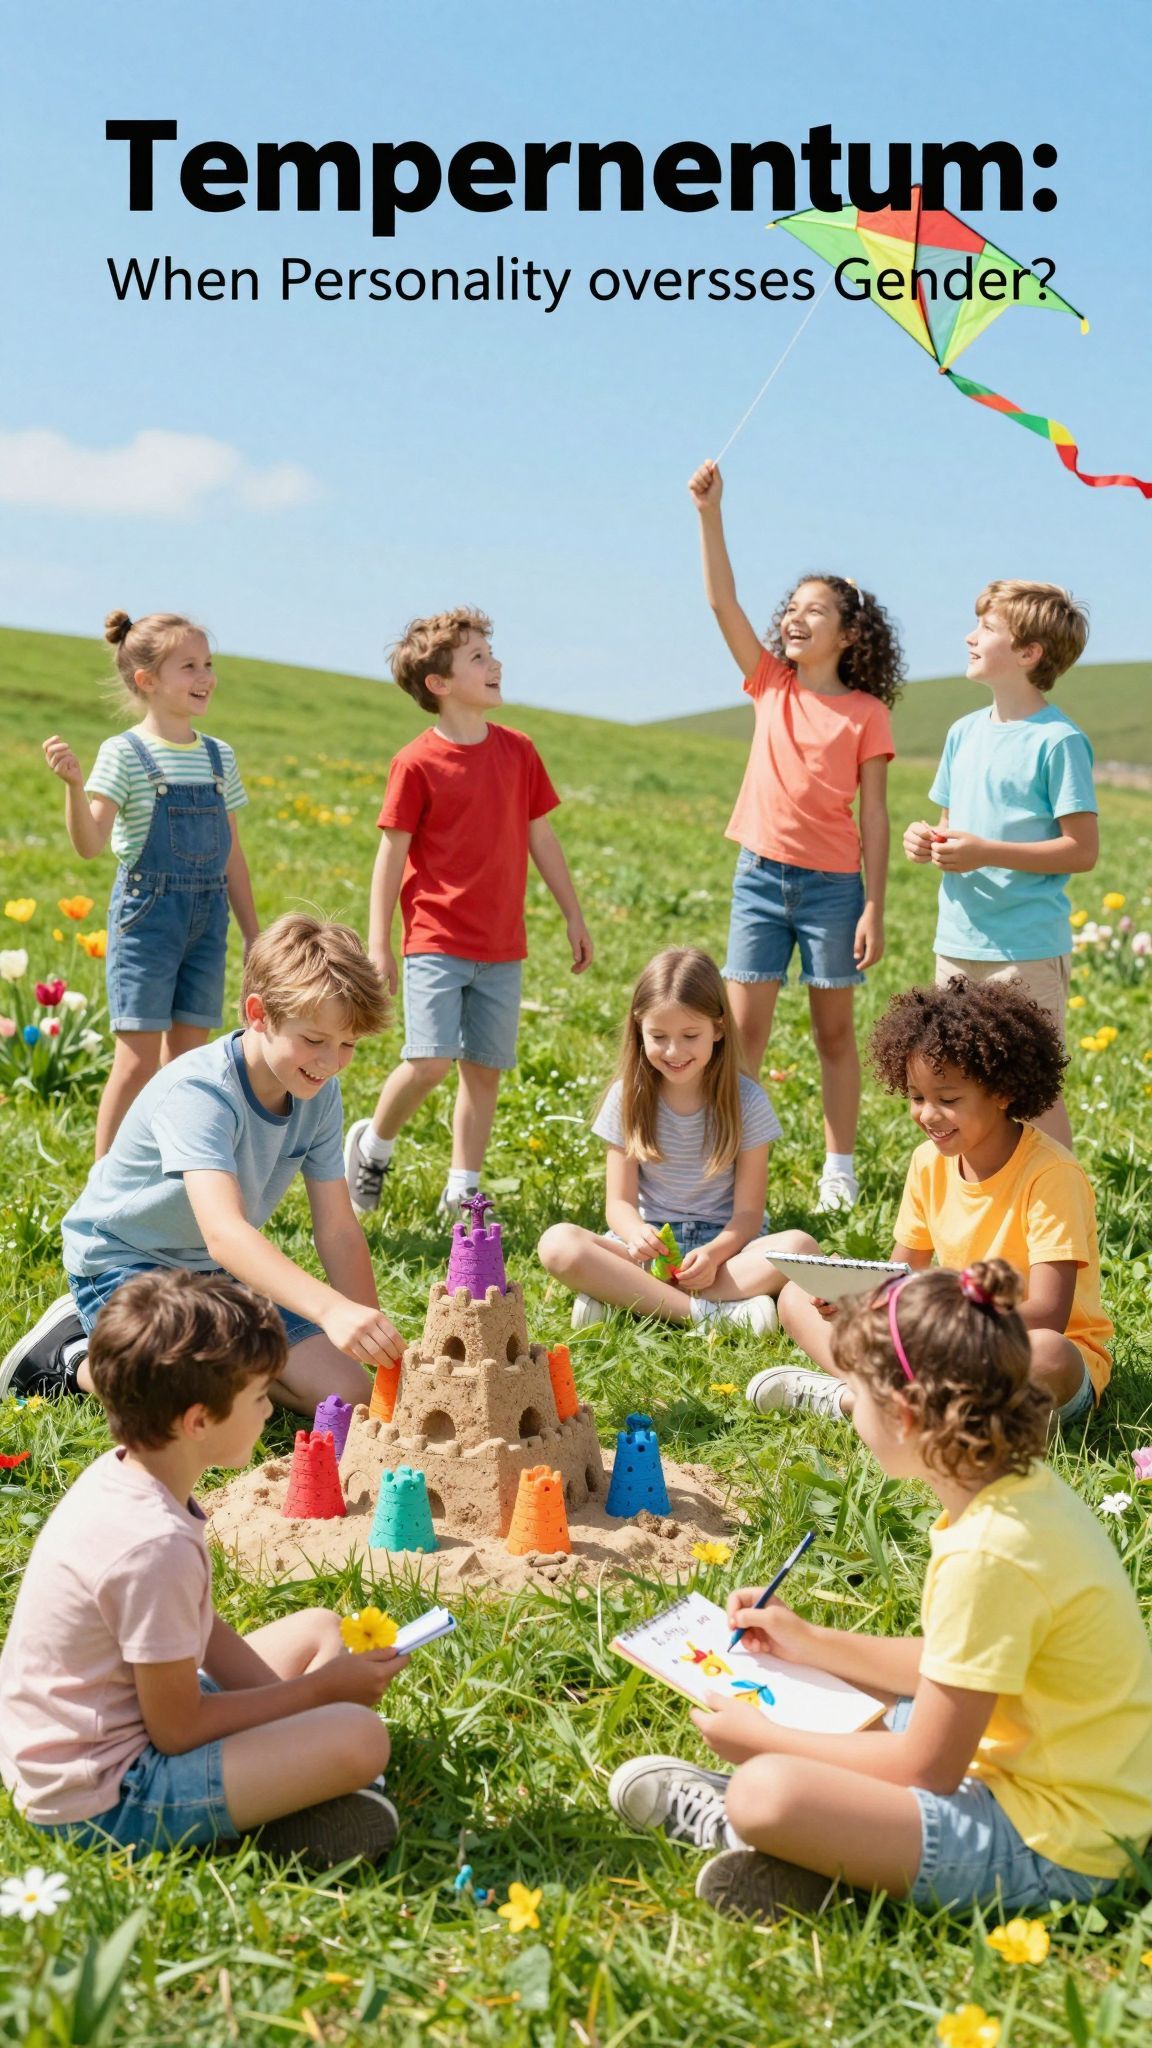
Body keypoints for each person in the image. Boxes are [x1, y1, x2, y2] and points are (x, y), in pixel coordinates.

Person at [607, 1259, 1152, 1923]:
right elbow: (953, 1664)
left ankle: (747, 1823)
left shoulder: (989, 1552)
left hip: (1058, 1845)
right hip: (1053, 1782)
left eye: (854, 1394)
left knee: (767, 1792)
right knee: (855, 1707)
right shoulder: (1016, 1497)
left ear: (905, 1416)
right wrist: (812, 1642)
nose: (852, 1412)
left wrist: (766, 1739)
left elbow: (927, 1770)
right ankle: (844, 1863)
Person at [0, 1271, 407, 1869]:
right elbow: (178, 1729)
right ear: (197, 1421)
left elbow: (205, 1632)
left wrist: (301, 1705)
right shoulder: (152, 1545)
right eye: (259, 1398)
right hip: (103, 1797)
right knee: (361, 1738)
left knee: (323, 1629)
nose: (270, 1411)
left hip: (112, 1726)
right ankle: (268, 1808)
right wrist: (318, 1695)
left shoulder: (135, 1478)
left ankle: (279, 1785)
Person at [0, 915, 403, 1413]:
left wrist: (372, 1334)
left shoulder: (319, 1092)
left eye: (348, 1045)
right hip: (125, 1261)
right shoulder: (201, 1092)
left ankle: (210, 1359)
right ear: (259, 1013)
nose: (332, 1061)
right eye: (315, 1040)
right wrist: (329, 1308)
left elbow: (338, 1228)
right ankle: (69, 1354)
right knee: (198, 1407)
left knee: (349, 1395)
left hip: (213, 1271)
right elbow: (225, 1233)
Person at [744, 979, 1110, 1427]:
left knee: (1049, 1354)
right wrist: (857, 1295)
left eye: (948, 1099)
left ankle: (861, 1400)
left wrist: (937, 1313)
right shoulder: (927, 1163)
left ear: (1002, 1092)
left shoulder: (1051, 1174)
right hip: (945, 1347)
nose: (928, 1115)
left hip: (1030, 1361)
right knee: (797, 1297)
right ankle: (904, 1404)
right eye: (917, 1098)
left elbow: (1049, 1315)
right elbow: (904, 1276)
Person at [688, 460, 903, 1213]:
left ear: (849, 634)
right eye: (794, 606)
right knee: (742, 1041)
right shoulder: (769, 683)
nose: (797, 616)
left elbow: (873, 815)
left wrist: (875, 906)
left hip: (833, 888)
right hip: (759, 879)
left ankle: (838, 1167)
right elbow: (721, 599)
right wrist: (711, 514)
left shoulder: (867, 713)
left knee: (835, 1032)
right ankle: (734, 1163)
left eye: (817, 610)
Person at [344, 607, 593, 1218]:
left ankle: (463, 1186)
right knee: (429, 1060)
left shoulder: (519, 752)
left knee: (485, 1070)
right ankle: (373, 1146)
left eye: (491, 652)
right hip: (434, 937)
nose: (496, 664)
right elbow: (389, 857)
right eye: (478, 658)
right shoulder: (416, 763)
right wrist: (380, 943)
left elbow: (543, 838)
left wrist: (573, 914)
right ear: (440, 683)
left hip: (503, 944)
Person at [42, 611, 259, 1158]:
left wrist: (254, 935)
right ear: (147, 681)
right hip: (147, 922)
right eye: (189, 666)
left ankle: (163, 1171)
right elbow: (91, 843)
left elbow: (232, 854)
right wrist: (73, 786)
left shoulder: (219, 756)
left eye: (208, 664)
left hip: (208, 924)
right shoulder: (124, 753)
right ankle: (103, 1185)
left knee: (187, 1065)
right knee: (137, 1060)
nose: (205, 676)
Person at [903, 580, 1096, 1150]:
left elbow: (1081, 850)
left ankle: (1063, 1217)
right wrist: (924, 839)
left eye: (987, 628)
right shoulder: (962, 734)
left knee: (1032, 1093)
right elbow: (947, 824)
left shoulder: (1058, 741)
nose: (970, 636)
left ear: (1028, 653)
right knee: (960, 1086)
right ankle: (984, 1209)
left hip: (1025, 951)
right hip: (957, 944)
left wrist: (984, 851)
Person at [537, 947, 784, 1332]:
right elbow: (618, 1203)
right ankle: (706, 1314)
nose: (674, 1051)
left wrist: (715, 1254)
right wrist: (637, 1234)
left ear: (718, 1028)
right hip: (647, 1246)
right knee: (557, 1244)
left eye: (690, 1035)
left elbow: (749, 1215)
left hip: (724, 1250)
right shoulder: (628, 1097)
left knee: (800, 1248)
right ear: (639, 1028)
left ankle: (631, 1300)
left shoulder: (746, 1100)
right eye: (659, 1036)